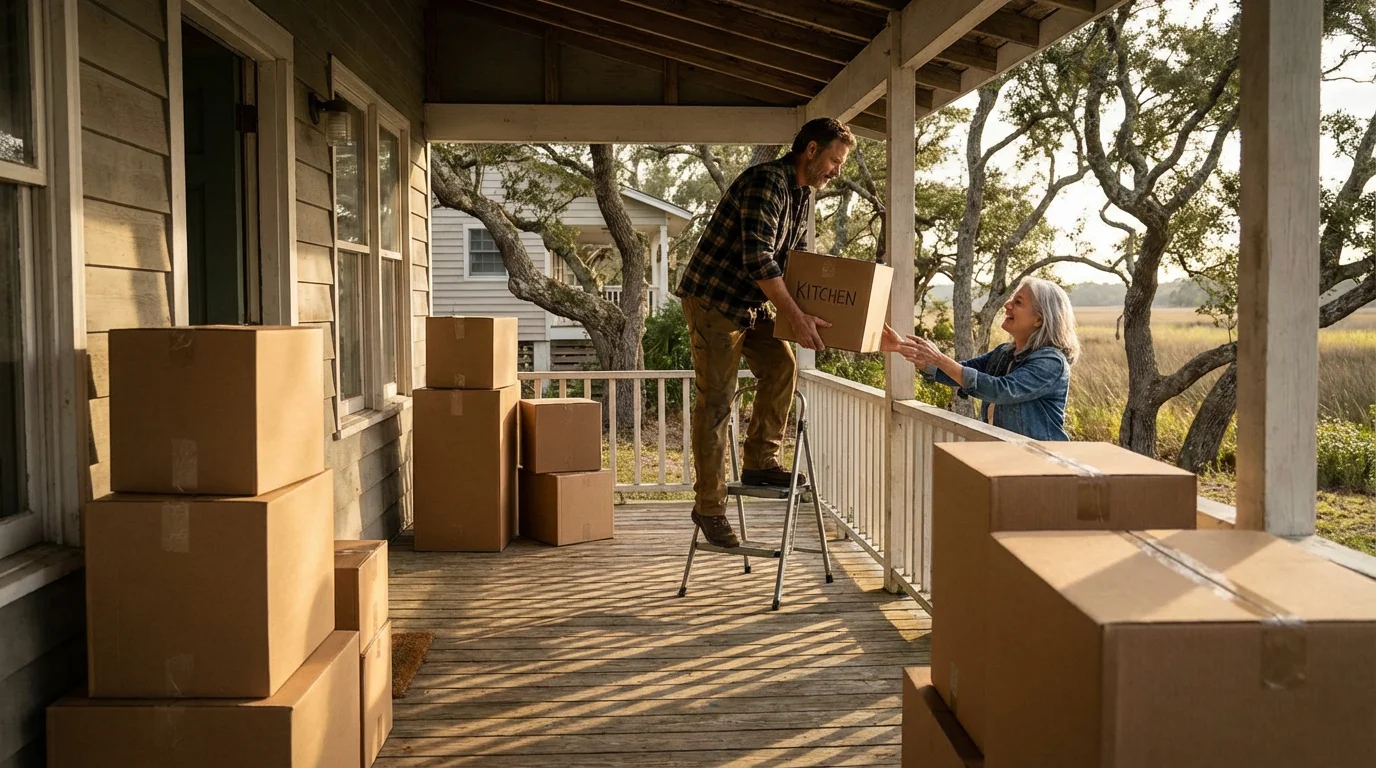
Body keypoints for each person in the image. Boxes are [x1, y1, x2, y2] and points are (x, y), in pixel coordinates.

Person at [675, 118, 855, 548]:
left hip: (750, 305)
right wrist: (795, 316)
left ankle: (759, 459)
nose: (836, 171)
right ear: (810, 150)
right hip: (715, 301)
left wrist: (852, 318)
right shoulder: (767, 183)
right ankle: (709, 506)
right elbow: (760, 260)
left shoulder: (800, 195)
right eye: (834, 160)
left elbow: (798, 265)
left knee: (781, 366)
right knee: (717, 400)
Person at [894, 277, 1080, 441]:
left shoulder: (1051, 362)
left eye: (1018, 302)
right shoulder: (1004, 352)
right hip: (1009, 457)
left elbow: (1001, 390)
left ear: (1039, 320)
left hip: (1040, 464)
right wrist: (902, 348)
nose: (1007, 304)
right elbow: (959, 372)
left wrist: (939, 358)